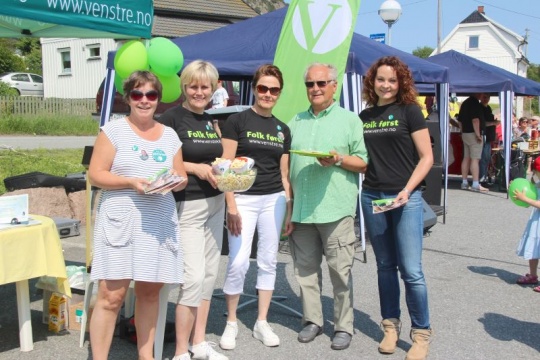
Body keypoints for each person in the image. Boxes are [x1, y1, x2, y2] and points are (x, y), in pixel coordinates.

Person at [88, 70, 188, 360]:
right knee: (111, 296)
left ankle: (147, 357)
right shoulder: (113, 130)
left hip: (157, 223)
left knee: (149, 294)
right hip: (121, 221)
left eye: (151, 95)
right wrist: (131, 182)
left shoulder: (169, 135)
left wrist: (176, 181)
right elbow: (96, 175)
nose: (144, 100)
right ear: (127, 98)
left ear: (159, 99)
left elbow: (180, 175)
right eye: (137, 94)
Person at [288, 63, 368, 351]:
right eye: (310, 84)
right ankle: (312, 320)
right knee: (305, 271)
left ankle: (344, 326)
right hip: (303, 209)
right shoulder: (295, 121)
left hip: (336, 209)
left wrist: (338, 159)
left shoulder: (350, 121)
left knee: (340, 272)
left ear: (334, 86)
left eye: (321, 83)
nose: (315, 89)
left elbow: (363, 163)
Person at [359, 56, 434, 360]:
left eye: (392, 80)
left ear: (400, 82)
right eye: (381, 79)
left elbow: (426, 157)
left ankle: (421, 334)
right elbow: (363, 159)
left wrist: (407, 190)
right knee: (385, 266)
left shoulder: (410, 111)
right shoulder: (364, 116)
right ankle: (390, 326)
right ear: (372, 81)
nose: (386, 85)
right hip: (373, 196)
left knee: (412, 271)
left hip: (406, 198)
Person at [219, 64, 293, 350]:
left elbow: (284, 174)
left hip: (273, 200)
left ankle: (262, 321)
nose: (268, 94)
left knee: (268, 260)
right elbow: (226, 168)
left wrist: (288, 206)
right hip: (244, 200)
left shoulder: (282, 128)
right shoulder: (237, 121)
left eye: (274, 89)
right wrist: (231, 206)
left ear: (279, 93)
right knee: (237, 261)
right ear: (255, 88)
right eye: (263, 88)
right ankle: (232, 322)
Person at [158, 60, 228, 360]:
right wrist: (196, 168)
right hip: (188, 203)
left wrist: (223, 169)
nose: (200, 92)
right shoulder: (171, 119)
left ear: (213, 89)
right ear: (184, 86)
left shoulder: (210, 120)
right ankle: (180, 351)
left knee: (211, 273)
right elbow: (162, 160)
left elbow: (213, 157)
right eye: (194, 86)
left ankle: (199, 342)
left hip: (216, 202)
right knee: (193, 276)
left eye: (205, 87)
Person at [513, 156, 540, 292]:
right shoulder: (537, 184)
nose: (535, 175)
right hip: (537, 221)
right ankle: (533, 275)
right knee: (534, 248)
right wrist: (519, 196)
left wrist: (525, 199)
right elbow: (531, 198)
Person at [458, 93, 487, 192]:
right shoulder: (475, 104)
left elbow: (460, 121)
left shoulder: (465, 103)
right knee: (475, 159)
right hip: (474, 134)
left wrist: (462, 132)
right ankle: (475, 183)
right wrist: (478, 134)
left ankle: (464, 182)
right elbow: (475, 120)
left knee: (466, 158)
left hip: (465, 133)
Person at [479, 93, 500, 186]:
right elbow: (482, 123)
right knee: (484, 158)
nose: (486, 99)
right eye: (484, 97)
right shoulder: (480, 108)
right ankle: (482, 178)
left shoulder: (488, 108)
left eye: (487, 97)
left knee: (486, 158)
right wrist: (494, 122)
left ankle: (484, 177)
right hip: (483, 136)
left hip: (488, 137)